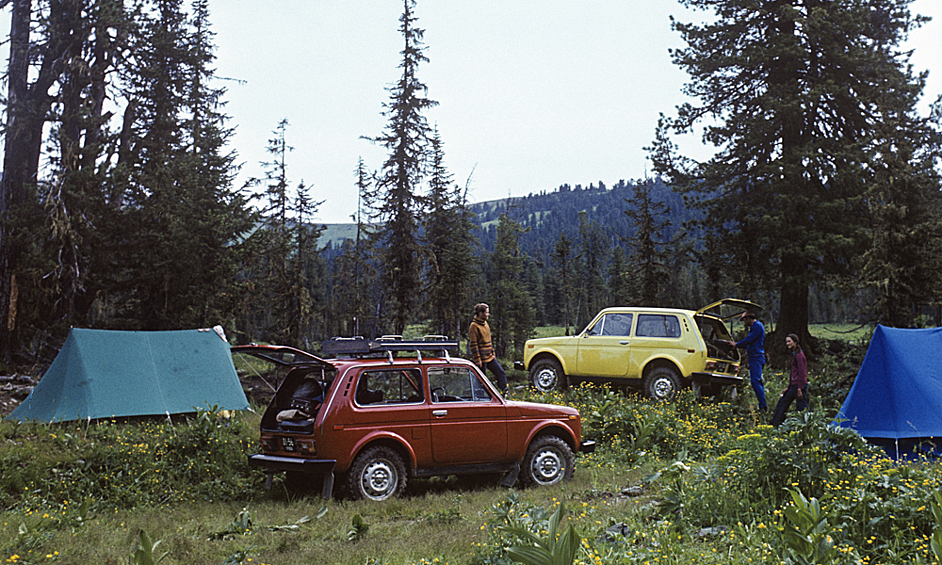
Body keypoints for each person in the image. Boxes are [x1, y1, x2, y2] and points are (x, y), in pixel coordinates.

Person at [728, 311, 767, 410]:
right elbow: (749, 343)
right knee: (757, 381)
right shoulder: (756, 327)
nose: (744, 323)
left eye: (744, 320)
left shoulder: (757, 326)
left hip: (756, 357)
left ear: (748, 318)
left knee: (755, 381)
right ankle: (762, 404)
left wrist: (736, 344)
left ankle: (763, 406)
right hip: (755, 357)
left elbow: (749, 339)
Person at [771, 333, 809, 426]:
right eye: (786, 342)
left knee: (801, 408)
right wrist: (788, 387)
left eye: (789, 341)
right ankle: (776, 424)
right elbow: (794, 373)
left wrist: (800, 388)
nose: (787, 344)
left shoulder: (799, 355)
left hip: (799, 385)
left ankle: (805, 427)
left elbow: (802, 372)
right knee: (782, 403)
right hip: (794, 385)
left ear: (795, 342)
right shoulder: (794, 354)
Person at [468, 303, 508, 392]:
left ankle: (504, 393)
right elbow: (474, 344)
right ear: (480, 313)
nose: (488, 314)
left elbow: (489, 339)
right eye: (486, 313)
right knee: (481, 380)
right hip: (481, 359)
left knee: (501, 373)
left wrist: (493, 353)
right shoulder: (474, 326)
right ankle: (480, 398)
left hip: (489, 356)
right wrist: (477, 359)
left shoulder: (485, 323)